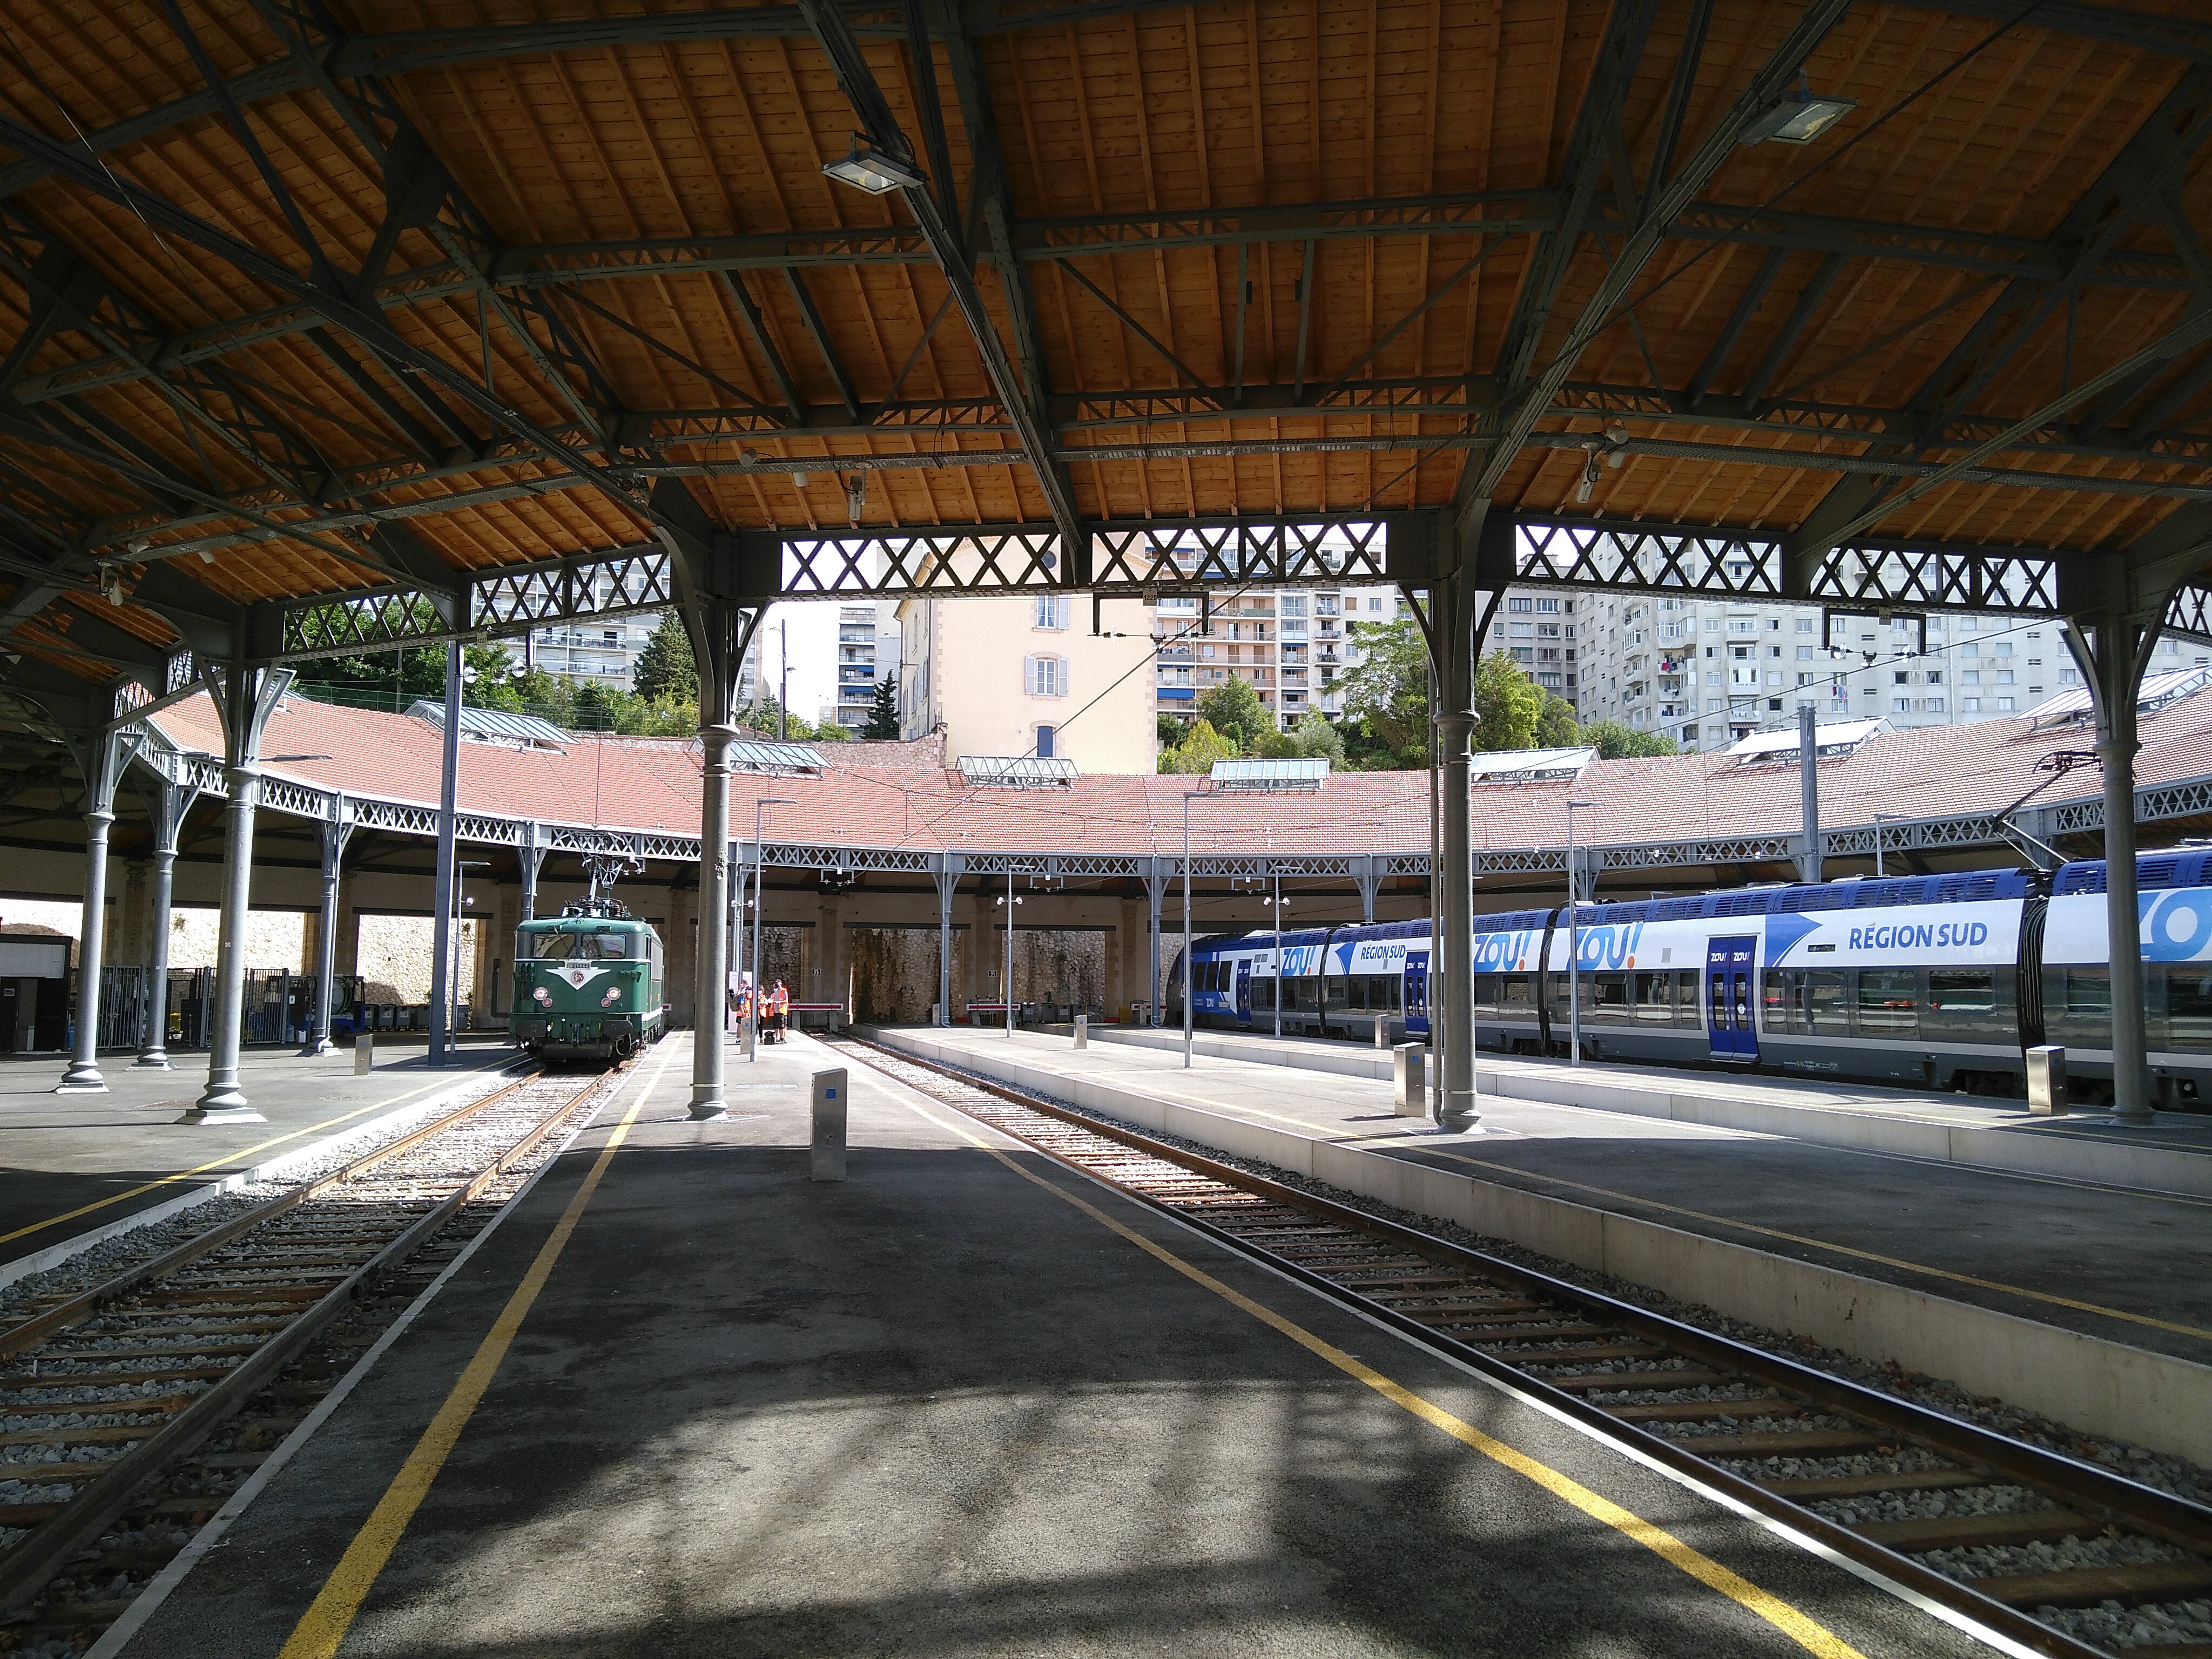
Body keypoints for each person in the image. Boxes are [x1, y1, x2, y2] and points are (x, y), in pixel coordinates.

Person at [770, 979, 790, 1043]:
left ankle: (782, 1039)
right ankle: (777, 1039)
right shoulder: (774, 992)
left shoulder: (783, 991)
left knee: (782, 1025)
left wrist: (779, 1002)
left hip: (781, 1010)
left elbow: (786, 1000)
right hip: (775, 1011)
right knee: (776, 1025)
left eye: (777, 984)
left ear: (780, 984)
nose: (776, 985)